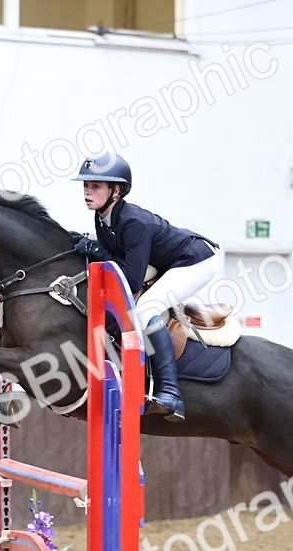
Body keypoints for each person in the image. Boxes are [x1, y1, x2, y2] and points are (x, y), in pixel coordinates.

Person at [72, 153, 222, 421]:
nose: (87, 192)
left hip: (195, 260)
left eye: (95, 186)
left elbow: (129, 280)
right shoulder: (102, 216)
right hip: (167, 262)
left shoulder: (133, 221)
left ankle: (170, 392)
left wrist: (94, 248)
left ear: (116, 191)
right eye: (85, 185)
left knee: (146, 309)